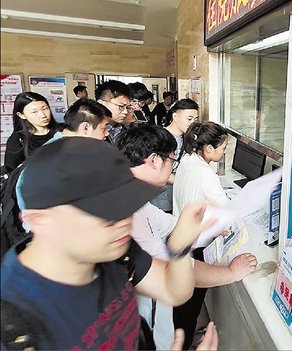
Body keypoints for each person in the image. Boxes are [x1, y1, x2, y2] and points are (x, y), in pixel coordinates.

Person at [1, 137, 216, 350]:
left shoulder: (114, 250)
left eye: (126, 205)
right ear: (39, 220)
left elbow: (172, 290)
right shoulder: (13, 324)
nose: (124, 222)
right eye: (104, 212)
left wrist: (180, 246)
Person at [115, 124, 257, 350]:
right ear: (154, 160)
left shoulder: (138, 202)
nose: (172, 167)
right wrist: (231, 273)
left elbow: (171, 227)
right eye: (171, 161)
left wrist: (205, 229)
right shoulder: (128, 216)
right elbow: (170, 272)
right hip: (143, 329)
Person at [172, 121, 230, 350]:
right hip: (194, 247)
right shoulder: (206, 174)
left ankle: (181, 338)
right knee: (191, 304)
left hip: (180, 237)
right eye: (223, 148)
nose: (224, 152)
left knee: (182, 303)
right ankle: (184, 344)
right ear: (208, 148)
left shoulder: (187, 160)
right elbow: (227, 209)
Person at [149, 98, 200, 213]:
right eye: (189, 119)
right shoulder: (161, 137)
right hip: (162, 201)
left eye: (195, 119)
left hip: (178, 199)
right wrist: (188, 182)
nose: (193, 123)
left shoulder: (187, 138)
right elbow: (158, 172)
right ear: (175, 117)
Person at [3, 92, 60, 172]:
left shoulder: (63, 131)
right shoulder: (17, 140)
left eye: (45, 109)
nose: (43, 115)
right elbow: (12, 171)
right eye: (34, 112)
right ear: (21, 115)